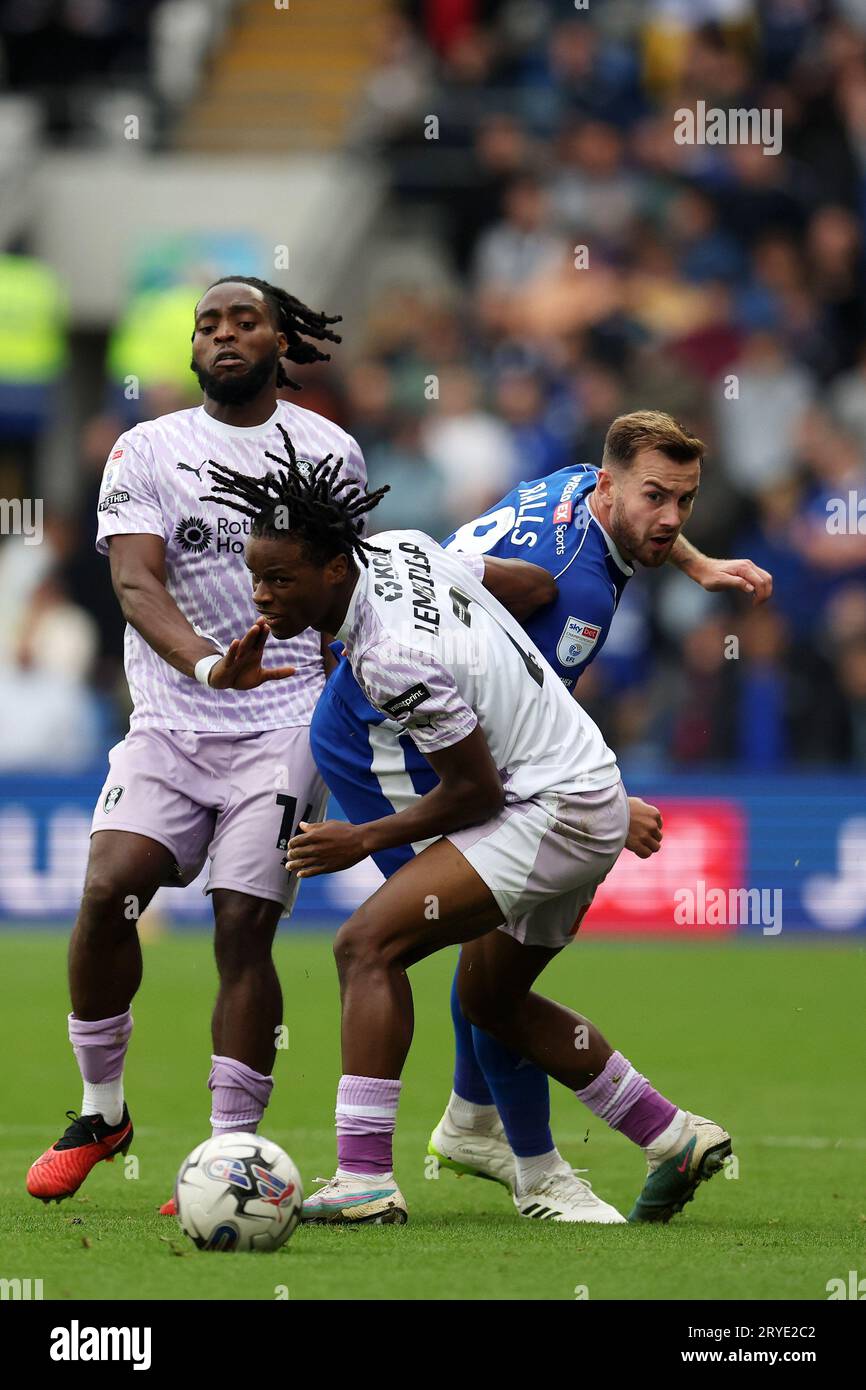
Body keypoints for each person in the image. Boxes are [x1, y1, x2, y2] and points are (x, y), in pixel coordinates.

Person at [208, 421, 738, 1228]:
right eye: (256, 578)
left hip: (546, 810)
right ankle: (666, 1133)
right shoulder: (404, 546)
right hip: (583, 786)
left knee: (366, 945)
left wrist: (361, 839)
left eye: (278, 579)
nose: (261, 596)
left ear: (331, 568)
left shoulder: (389, 656)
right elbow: (524, 583)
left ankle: (368, 1178)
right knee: (492, 996)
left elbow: (478, 793)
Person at [26, 276, 367, 1205]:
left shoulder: (327, 451)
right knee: (106, 890)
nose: (223, 334)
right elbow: (136, 589)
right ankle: (104, 1110)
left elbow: (347, 589)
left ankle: (228, 1158)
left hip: (289, 721)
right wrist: (215, 665)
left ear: (279, 340)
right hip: (175, 718)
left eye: (244, 320)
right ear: (191, 348)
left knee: (240, 919)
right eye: (207, 323)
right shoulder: (147, 449)